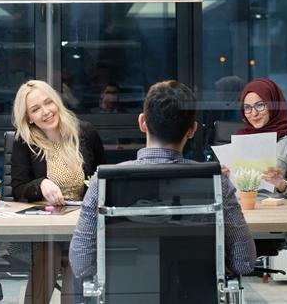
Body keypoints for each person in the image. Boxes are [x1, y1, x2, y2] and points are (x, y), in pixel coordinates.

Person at [70, 80, 256, 278]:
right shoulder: (217, 182)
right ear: (192, 130)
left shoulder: (104, 182)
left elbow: (82, 265)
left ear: (142, 122)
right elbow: (243, 262)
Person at [11, 80, 106, 304]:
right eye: (35, 109)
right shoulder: (24, 141)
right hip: (41, 229)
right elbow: (17, 189)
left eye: (48, 102)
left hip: (82, 224)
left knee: (75, 252)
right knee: (51, 251)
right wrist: (40, 184)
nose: (45, 112)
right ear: (28, 118)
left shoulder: (85, 133)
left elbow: (103, 179)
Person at [236, 78, 287, 199]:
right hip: (242, 207)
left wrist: (280, 184)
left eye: (260, 105)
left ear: (272, 104)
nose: (254, 114)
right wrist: (224, 178)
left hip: (275, 210)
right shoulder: (242, 137)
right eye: (247, 107)